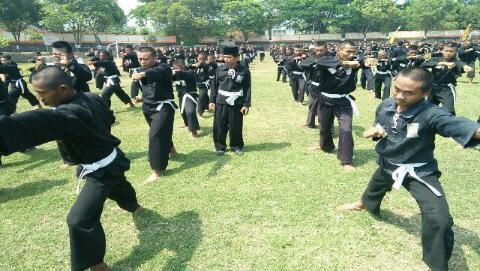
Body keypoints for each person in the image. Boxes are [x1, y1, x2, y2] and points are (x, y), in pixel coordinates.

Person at [0, 66, 142, 271]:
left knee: (78, 220)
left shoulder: (68, 115)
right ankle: (134, 206)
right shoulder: (92, 97)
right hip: (112, 159)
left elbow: (28, 123)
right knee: (119, 185)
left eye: (41, 93)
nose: (39, 98)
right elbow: (109, 118)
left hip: (101, 170)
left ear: (63, 89)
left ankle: (97, 264)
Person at [342, 67, 480, 271]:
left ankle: (437, 266)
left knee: (439, 220)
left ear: (425, 93)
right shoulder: (386, 104)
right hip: (389, 162)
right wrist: (377, 131)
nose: (399, 96)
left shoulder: (431, 113)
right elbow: (382, 124)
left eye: (408, 93)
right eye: (397, 89)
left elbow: (455, 125)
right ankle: (364, 204)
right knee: (376, 185)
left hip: (418, 171)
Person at [132, 47, 177, 182]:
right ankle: (171, 149)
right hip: (147, 107)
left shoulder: (163, 68)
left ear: (154, 58)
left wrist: (143, 75)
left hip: (163, 107)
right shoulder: (139, 70)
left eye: (146, 59)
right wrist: (138, 97)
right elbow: (145, 88)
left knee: (155, 135)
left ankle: (157, 170)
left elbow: (158, 72)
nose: (142, 62)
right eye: (140, 59)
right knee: (160, 131)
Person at [314, 40, 361, 171]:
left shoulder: (356, 61)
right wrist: (345, 63)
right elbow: (319, 62)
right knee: (324, 127)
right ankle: (325, 146)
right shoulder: (327, 59)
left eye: (354, 52)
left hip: (343, 101)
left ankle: (347, 160)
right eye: (348, 51)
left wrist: (367, 62)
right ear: (339, 50)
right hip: (325, 99)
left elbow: (364, 61)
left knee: (346, 129)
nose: (352, 54)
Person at [209, 46, 251, 156]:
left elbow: (247, 88)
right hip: (221, 101)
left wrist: (246, 104)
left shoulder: (244, 70)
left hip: (236, 102)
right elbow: (214, 86)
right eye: (225, 57)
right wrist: (212, 101)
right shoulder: (220, 69)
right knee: (219, 125)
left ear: (236, 57)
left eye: (229, 57)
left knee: (235, 125)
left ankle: (236, 146)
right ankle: (220, 146)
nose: (226, 59)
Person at [421, 42, 473, 115]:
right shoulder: (436, 59)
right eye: (446, 51)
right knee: (428, 110)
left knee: (448, 112)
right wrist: (444, 63)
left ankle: (450, 125)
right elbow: (424, 64)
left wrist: (466, 67)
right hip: (433, 88)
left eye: (451, 51)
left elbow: (461, 64)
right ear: (442, 50)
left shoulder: (456, 62)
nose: (448, 53)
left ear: (455, 52)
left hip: (447, 90)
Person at [172, 59, 200, 138]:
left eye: (177, 68)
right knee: (183, 112)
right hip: (181, 95)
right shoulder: (176, 74)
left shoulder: (190, 73)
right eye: (174, 68)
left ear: (183, 67)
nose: (175, 70)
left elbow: (182, 74)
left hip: (190, 95)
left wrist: (175, 72)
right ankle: (186, 124)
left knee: (190, 112)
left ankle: (194, 132)